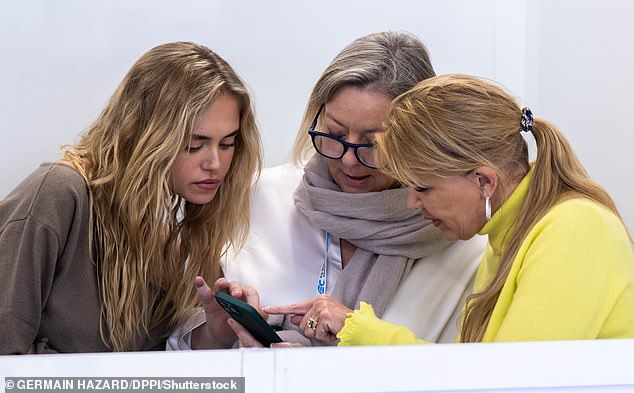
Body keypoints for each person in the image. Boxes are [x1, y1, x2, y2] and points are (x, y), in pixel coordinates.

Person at [169, 32, 487, 349]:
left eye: (373, 144)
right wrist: (220, 336)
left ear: (417, 139)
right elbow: (176, 348)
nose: (349, 159)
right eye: (334, 133)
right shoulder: (252, 201)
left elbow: (473, 369)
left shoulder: (461, 241)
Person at [265, 74, 634, 345]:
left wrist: (362, 333)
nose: (412, 202)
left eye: (423, 187)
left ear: (484, 182)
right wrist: (353, 331)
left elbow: (513, 383)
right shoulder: (504, 234)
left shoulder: (574, 227)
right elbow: (473, 374)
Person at [0, 41, 263, 354]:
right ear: (146, 135)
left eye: (227, 144)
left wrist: (214, 335)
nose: (215, 164)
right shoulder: (59, 193)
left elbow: (151, 366)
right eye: (194, 145)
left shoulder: (169, 245)